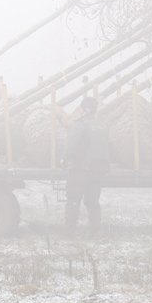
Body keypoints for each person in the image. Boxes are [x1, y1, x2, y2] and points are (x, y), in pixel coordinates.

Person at [62, 94, 110, 234]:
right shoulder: (101, 126)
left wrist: (64, 158)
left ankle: (69, 232)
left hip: (79, 169)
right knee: (93, 202)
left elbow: (71, 145)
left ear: (84, 109)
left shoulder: (79, 125)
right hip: (97, 170)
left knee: (73, 200)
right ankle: (95, 231)